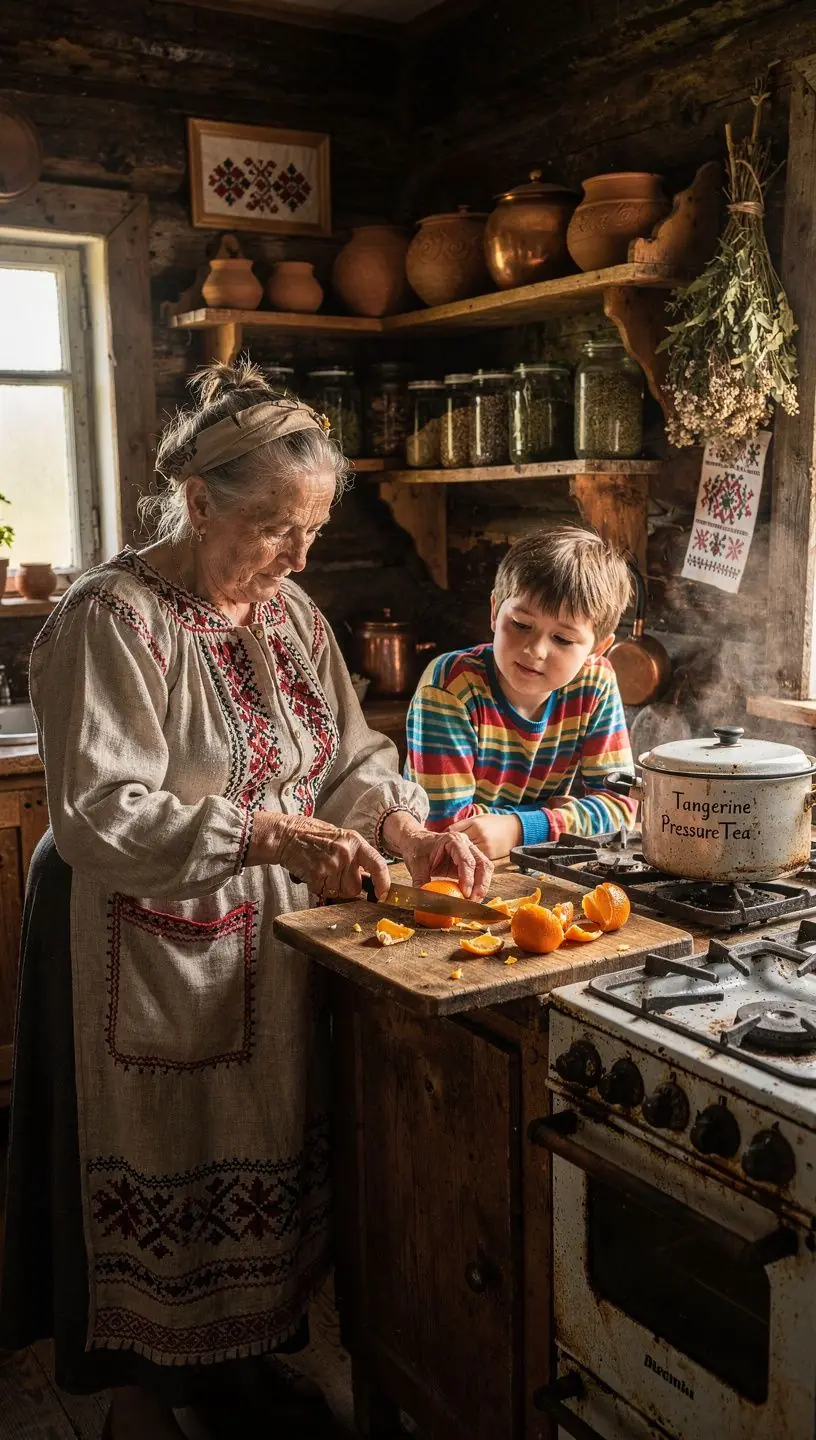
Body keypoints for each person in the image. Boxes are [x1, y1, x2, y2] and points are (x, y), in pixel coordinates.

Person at [0, 361, 491, 1440]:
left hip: (265, 941)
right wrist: (266, 833)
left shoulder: (292, 613)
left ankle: (232, 1372)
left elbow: (347, 758)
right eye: (275, 525)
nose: (299, 555)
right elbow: (98, 813)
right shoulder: (113, 618)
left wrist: (404, 826)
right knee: (153, 1167)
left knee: (259, 1155)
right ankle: (137, 1398)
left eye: (312, 527)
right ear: (199, 500)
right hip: (138, 940)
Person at [405, 526, 637, 859]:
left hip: (524, 865)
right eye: (521, 625)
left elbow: (621, 809)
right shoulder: (450, 689)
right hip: (438, 873)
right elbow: (447, 830)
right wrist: (555, 815)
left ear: (596, 650)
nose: (535, 650)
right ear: (494, 610)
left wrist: (519, 828)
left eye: (563, 639)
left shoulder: (596, 683)